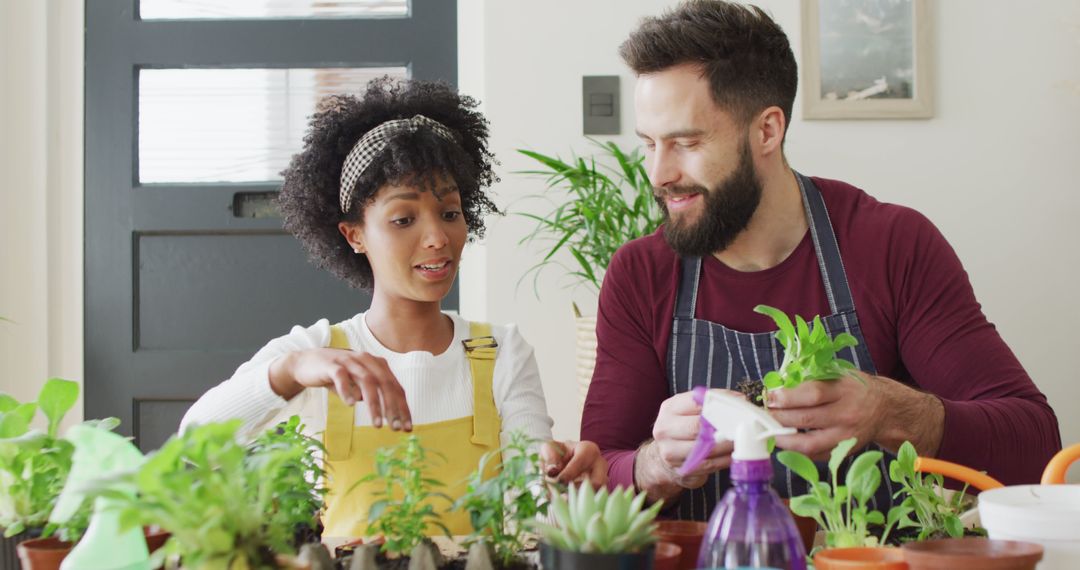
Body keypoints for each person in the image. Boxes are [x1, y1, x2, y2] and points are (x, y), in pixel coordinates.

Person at [581, 0, 1060, 521]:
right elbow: (596, 477)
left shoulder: (892, 245)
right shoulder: (641, 274)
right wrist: (655, 465)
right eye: (650, 144)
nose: (658, 174)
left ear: (767, 130)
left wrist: (892, 410)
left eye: (686, 143)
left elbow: (1035, 447)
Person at [181, 77, 607, 539]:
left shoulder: (502, 351)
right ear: (354, 235)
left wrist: (560, 485)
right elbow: (196, 440)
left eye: (449, 213)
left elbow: (536, 524)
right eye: (403, 219)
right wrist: (290, 371)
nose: (437, 238)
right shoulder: (318, 354)